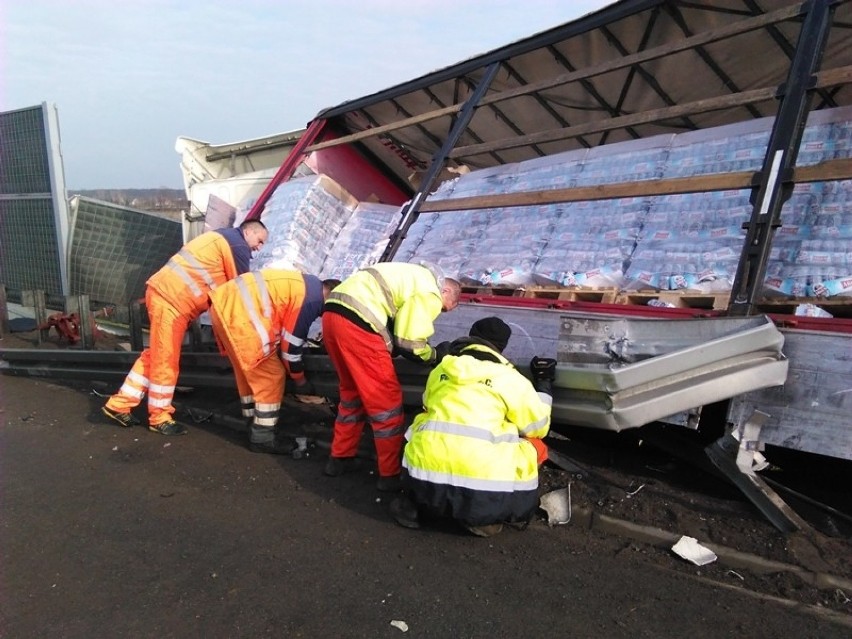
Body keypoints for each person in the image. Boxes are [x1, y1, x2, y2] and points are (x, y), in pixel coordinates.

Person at [390, 316, 556, 537]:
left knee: (420, 424)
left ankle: (412, 503)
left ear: (470, 337)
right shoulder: (509, 377)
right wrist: (543, 384)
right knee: (536, 445)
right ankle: (485, 515)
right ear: (502, 347)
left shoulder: (441, 370)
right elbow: (538, 426)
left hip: (424, 480)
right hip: (482, 490)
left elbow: (428, 404)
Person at [101, 220, 269, 435]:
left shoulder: (222, 239)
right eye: (259, 240)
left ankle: (119, 404)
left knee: (156, 356)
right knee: (166, 360)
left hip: (168, 296)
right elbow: (241, 291)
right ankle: (159, 416)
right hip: (173, 300)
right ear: (248, 231)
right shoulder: (237, 247)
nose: (259, 247)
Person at [321, 261, 462, 491]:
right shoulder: (430, 291)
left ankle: (339, 459)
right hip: (360, 324)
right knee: (386, 403)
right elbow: (410, 342)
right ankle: (389, 474)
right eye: (445, 308)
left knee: (351, 394)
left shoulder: (411, 275)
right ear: (446, 292)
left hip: (332, 315)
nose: (439, 312)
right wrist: (434, 355)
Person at [207, 269, 340, 454]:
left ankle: (252, 421)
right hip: (240, 315)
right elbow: (290, 349)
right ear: (332, 296)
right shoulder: (313, 300)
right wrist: (300, 380)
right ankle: (262, 437)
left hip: (224, 307)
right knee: (271, 375)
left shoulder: (306, 285)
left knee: (248, 370)